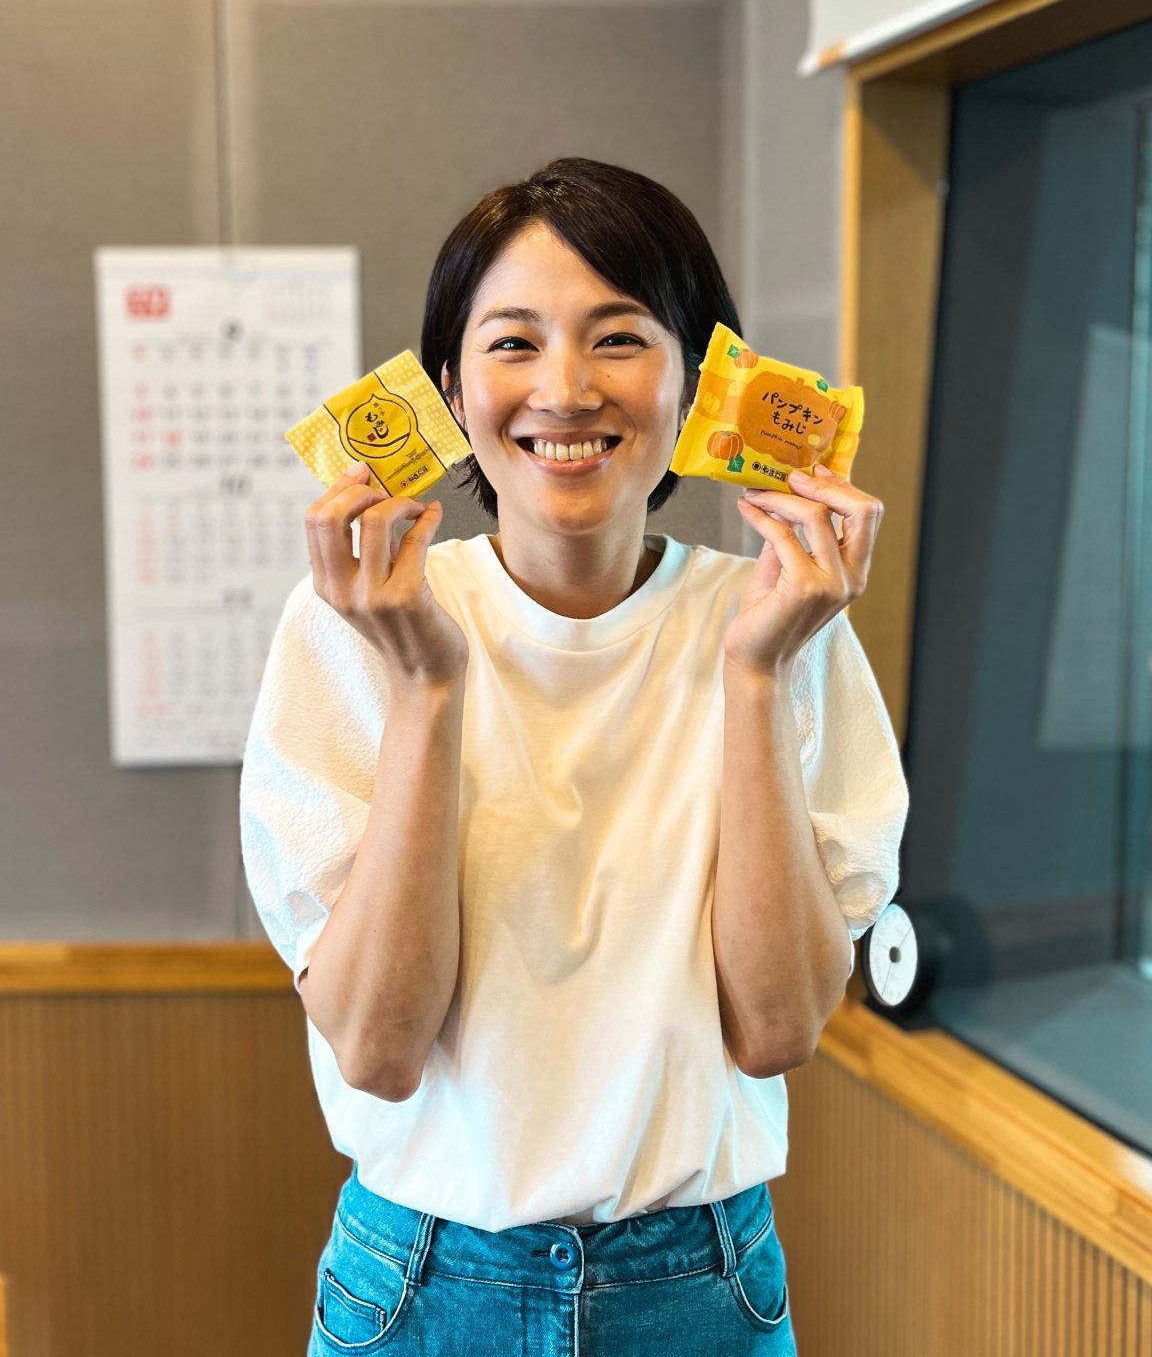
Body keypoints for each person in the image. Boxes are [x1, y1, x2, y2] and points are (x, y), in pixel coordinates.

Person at [239, 156, 908, 1355]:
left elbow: (778, 1030)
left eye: (619, 338)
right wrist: (427, 687)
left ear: (700, 382)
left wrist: (756, 674)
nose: (564, 389)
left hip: (700, 1288)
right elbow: (380, 1050)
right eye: (512, 343)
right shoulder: (352, 624)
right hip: (419, 1287)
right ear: (449, 391)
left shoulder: (779, 621)